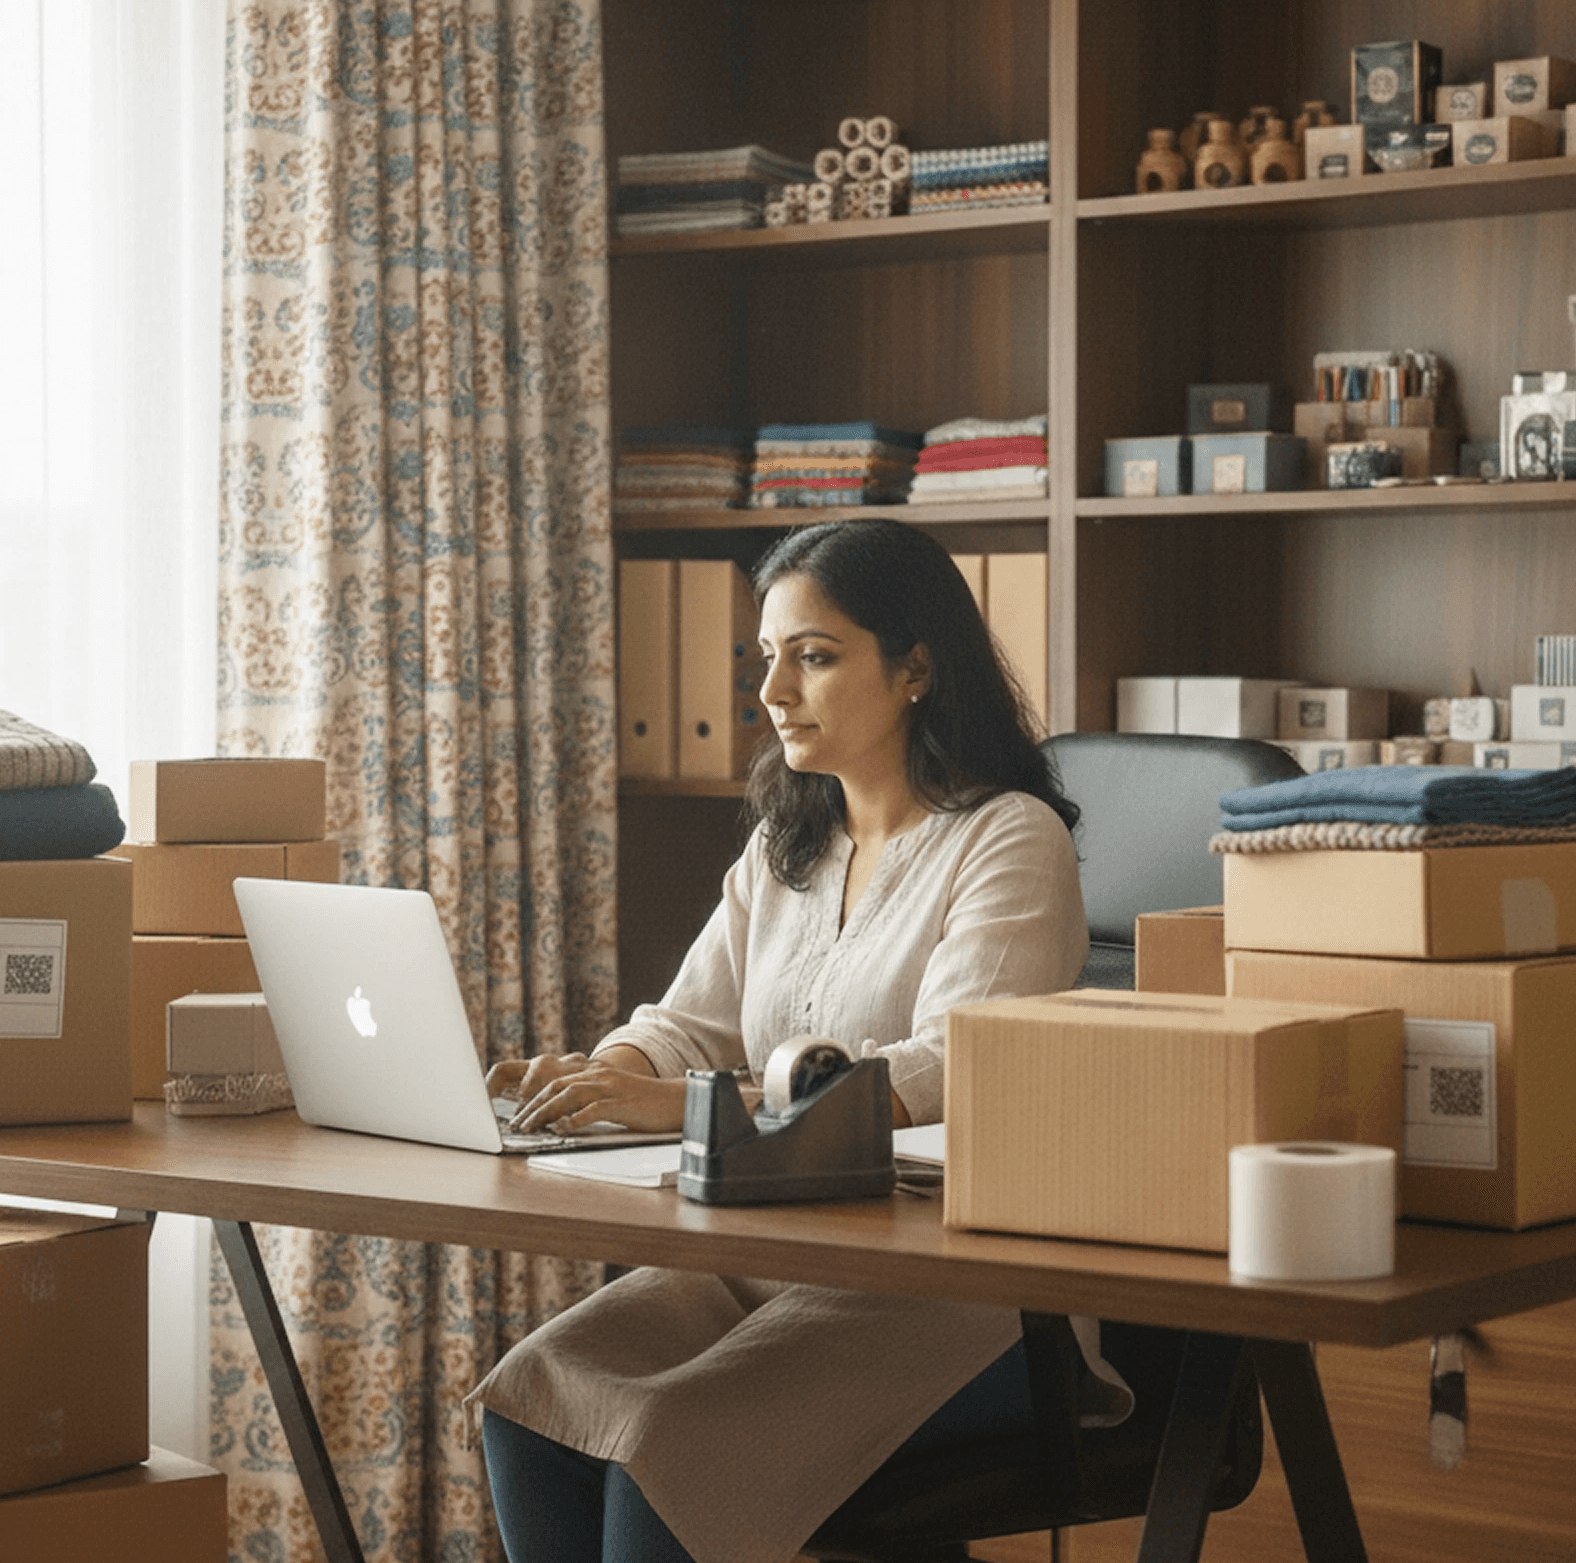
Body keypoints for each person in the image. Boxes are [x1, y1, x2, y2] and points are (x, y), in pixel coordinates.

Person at [467, 517, 1102, 1563]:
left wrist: (687, 1107)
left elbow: (951, 1067)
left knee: (663, 1443)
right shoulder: (786, 844)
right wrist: (601, 1078)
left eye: (812, 657)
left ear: (915, 670)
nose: (771, 693)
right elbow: (687, 1022)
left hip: (958, 1294)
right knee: (535, 1399)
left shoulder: (1007, 838)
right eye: (767, 658)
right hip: (769, 1258)